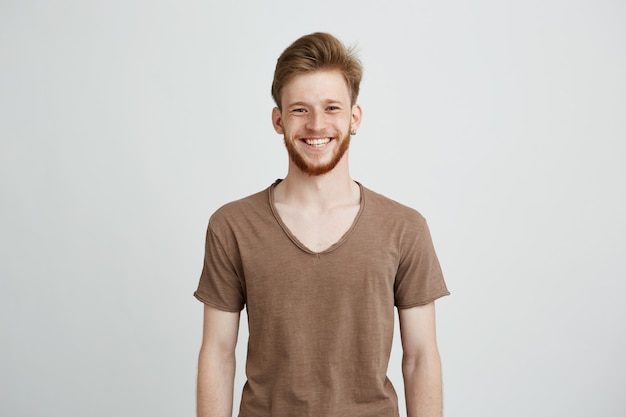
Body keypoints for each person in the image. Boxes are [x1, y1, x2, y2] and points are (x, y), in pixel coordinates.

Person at [194, 32, 450, 417]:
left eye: (332, 108)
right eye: (300, 110)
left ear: (354, 117)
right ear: (278, 120)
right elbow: (217, 353)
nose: (316, 125)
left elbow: (420, 357)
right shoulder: (232, 226)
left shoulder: (404, 228)